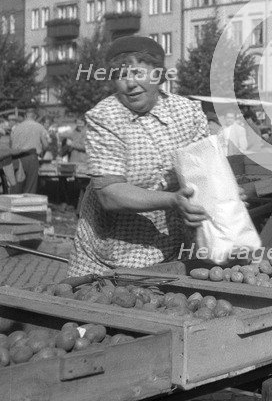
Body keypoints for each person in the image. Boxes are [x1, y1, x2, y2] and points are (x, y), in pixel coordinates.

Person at [67, 36, 209, 276]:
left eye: (137, 72)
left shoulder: (188, 112)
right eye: (121, 75)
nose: (130, 83)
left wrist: (225, 194)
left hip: (174, 246)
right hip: (110, 254)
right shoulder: (104, 117)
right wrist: (172, 199)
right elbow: (110, 194)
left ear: (157, 75)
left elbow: (206, 171)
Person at [9, 108, 50, 193]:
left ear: (25, 116)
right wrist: (42, 151)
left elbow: (11, 144)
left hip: (17, 158)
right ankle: (28, 205)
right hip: (31, 158)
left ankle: (15, 205)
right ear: (35, 117)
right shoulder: (39, 127)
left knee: (16, 187)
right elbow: (46, 145)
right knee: (30, 187)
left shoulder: (16, 128)